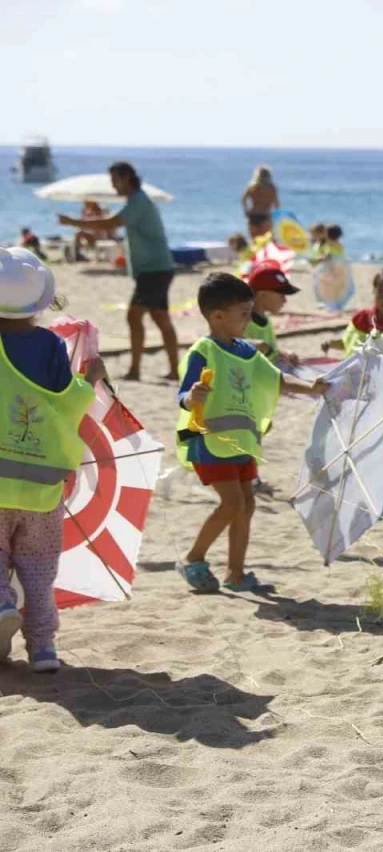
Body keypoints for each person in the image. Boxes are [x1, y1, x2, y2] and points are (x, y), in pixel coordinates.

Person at [174, 273, 327, 593]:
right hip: (210, 441)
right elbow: (184, 393)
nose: (249, 320)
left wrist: (311, 389)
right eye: (244, 313)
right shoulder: (203, 350)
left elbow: (276, 381)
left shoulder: (246, 351)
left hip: (242, 443)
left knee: (247, 504)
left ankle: (236, 573)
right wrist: (191, 397)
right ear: (218, 316)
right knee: (231, 504)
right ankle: (193, 558)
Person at [0, 248, 106, 673]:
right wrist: (91, 380)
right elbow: (67, 402)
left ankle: (3, 604)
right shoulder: (48, 344)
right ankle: (42, 649)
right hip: (43, 483)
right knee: (39, 572)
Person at [59, 162, 178, 381]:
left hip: (154, 270)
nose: (113, 186)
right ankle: (172, 369)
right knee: (160, 318)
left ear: (127, 179)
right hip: (157, 268)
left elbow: (111, 222)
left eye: (115, 180)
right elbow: (112, 222)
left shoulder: (138, 201)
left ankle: (136, 370)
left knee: (134, 316)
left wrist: (72, 222)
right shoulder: (137, 201)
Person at [322, 267, 383, 356]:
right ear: (374, 291)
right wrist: (331, 344)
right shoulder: (360, 318)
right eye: (381, 292)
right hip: (352, 370)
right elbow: (346, 343)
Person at [243, 259, 301, 366]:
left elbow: (270, 351)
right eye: (281, 295)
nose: (285, 300)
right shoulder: (242, 323)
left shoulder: (266, 320)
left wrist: (283, 353)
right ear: (262, 295)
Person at [242, 166, 280, 239]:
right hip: (265, 215)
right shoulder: (272, 188)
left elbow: (243, 199)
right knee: (266, 243)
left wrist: (246, 210)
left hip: (252, 215)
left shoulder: (252, 186)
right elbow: (276, 204)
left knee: (255, 242)